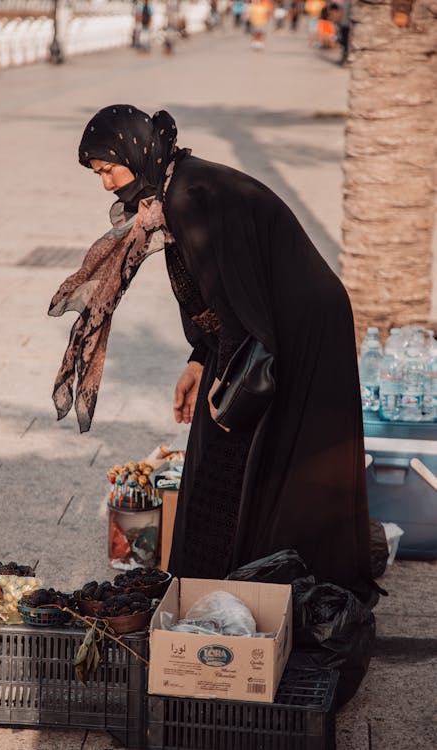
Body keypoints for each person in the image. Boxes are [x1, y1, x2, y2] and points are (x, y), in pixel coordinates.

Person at [49, 105, 377, 604]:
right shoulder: (175, 187)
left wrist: (224, 378)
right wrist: (200, 360)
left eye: (109, 169)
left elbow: (237, 303)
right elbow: (213, 295)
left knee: (242, 444)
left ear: (138, 152)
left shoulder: (191, 197)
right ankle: (245, 584)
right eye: (99, 174)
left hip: (303, 326)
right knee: (239, 445)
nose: (106, 184)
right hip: (274, 322)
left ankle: (248, 588)